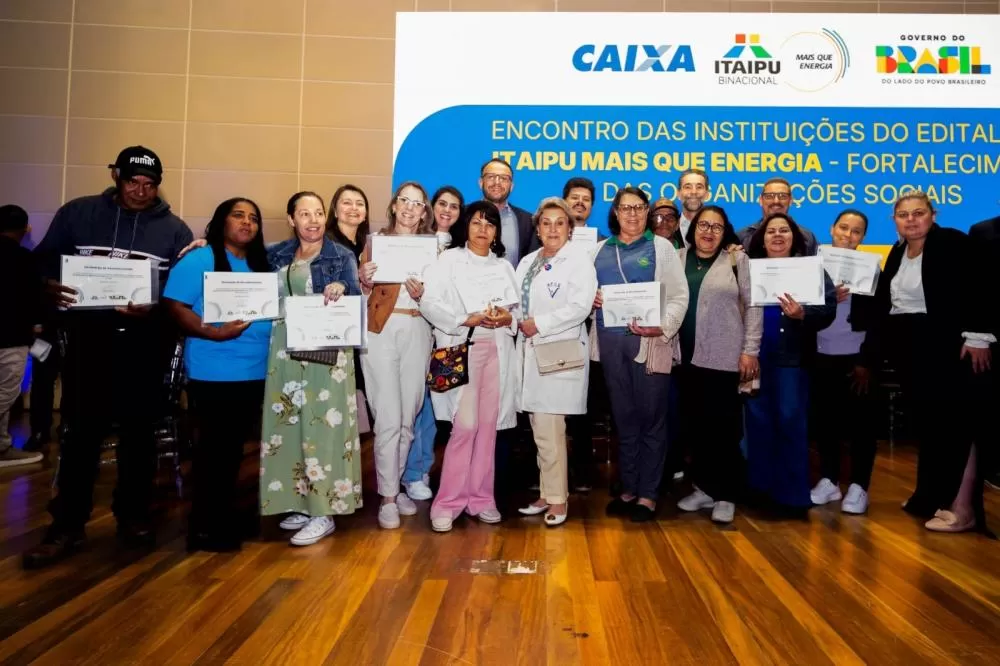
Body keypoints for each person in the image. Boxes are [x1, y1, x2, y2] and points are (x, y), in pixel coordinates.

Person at [24, 146, 194, 569]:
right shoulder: (78, 214)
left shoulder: (174, 229)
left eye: (150, 184)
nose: (141, 191)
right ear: (116, 176)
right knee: (81, 433)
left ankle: (133, 517)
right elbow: (42, 263)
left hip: (145, 343)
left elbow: (184, 290)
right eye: (133, 182)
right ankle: (66, 525)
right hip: (89, 339)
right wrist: (47, 283)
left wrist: (153, 303)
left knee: (140, 436)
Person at [863, 191, 994, 533]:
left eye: (918, 213)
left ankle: (962, 507)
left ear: (933, 215)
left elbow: (983, 287)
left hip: (952, 347)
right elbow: (887, 303)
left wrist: (978, 335)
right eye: (903, 215)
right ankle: (930, 495)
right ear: (895, 220)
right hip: (910, 348)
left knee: (957, 426)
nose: (911, 220)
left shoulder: (954, 242)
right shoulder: (896, 251)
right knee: (931, 427)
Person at [162, 198, 272, 551]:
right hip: (215, 373)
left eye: (253, 218)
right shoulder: (201, 259)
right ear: (220, 221)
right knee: (214, 453)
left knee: (234, 452)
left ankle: (225, 517)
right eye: (238, 215)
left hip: (254, 371)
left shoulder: (259, 264)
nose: (247, 223)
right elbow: (174, 305)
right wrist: (213, 332)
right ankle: (205, 528)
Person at [259, 192, 363, 546]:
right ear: (291, 219)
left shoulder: (340, 255)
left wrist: (342, 288)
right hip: (285, 352)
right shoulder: (276, 254)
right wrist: (202, 242)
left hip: (324, 354)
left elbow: (354, 300)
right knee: (288, 426)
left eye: (319, 213)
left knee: (323, 429)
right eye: (304, 214)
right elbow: (240, 266)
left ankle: (324, 511)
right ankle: (300, 501)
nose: (313, 220)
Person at [421, 201, 520, 532]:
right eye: (477, 222)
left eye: (490, 225)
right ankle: (447, 502)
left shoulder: (505, 267)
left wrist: (508, 318)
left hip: (498, 351)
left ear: (496, 232)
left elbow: (517, 311)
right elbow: (430, 303)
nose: (483, 229)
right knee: (464, 427)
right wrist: (466, 318)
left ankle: (481, 499)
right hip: (463, 349)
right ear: (467, 226)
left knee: (488, 427)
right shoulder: (448, 261)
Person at [594, 187, 689, 522]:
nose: (632, 214)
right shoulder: (599, 250)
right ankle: (629, 488)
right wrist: (589, 299)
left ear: (647, 211)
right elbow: (585, 293)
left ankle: (648, 493)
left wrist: (662, 327)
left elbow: (679, 296)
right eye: (625, 208)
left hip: (650, 345)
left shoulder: (661, 248)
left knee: (651, 418)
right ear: (615, 212)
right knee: (624, 419)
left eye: (638, 208)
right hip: (610, 344)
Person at [674, 206, 761, 524]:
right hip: (683, 358)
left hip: (724, 357)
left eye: (717, 227)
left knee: (724, 429)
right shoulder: (678, 259)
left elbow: (753, 306)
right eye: (703, 225)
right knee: (695, 429)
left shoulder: (738, 260)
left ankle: (727, 494)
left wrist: (750, 350)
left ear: (726, 232)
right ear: (693, 228)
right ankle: (703, 488)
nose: (708, 231)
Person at [744, 213, 835, 517]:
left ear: (795, 237)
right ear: (762, 237)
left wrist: (803, 314)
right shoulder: (748, 268)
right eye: (772, 231)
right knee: (757, 426)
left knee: (790, 423)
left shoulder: (811, 269)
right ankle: (760, 491)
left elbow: (828, 309)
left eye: (784, 231)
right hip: (754, 356)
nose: (778, 236)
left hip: (792, 359)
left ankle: (792, 496)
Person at [515, 198, 597, 526]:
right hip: (530, 352)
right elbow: (515, 301)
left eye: (559, 223)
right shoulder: (528, 261)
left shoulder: (578, 261)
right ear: (537, 228)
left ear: (570, 229)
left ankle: (559, 500)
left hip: (558, 353)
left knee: (550, 430)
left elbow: (580, 306)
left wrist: (540, 324)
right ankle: (547, 494)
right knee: (540, 430)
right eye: (545, 223)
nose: (552, 229)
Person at [358, 182, 435, 529]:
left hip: (418, 329)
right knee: (387, 416)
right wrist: (362, 280)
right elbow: (357, 293)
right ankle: (387, 497)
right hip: (380, 332)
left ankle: (398, 483)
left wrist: (426, 293)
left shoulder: (434, 249)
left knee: (408, 417)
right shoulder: (375, 243)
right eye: (404, 200)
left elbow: (441, 298)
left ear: (424, 212)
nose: (409, 207)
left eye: (417, 203)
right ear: (393, 206)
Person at [809, 210, 880, 515]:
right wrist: (826, 297)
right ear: (832, 228)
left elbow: (879, 320)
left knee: (861, 425)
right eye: (843, 228)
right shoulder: (812, 264)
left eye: (856, 231)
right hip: (820, 354)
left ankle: (859, 486)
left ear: (863, 237)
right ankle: (828, 480)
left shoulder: (872, 268)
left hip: (857, 359)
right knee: (826, 423)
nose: (848, 235)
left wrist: (866, 360)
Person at [402, 186, 465, 502]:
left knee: (434, 405)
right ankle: (402, 472)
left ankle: (420, 470)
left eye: (455, 206)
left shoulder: (463, 250)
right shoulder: (413, 242)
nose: (448, 210)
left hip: (446, 337)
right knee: (409, 404)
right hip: (411, 329)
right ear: (430, 207)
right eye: (443, 203)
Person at [562, 177, 607, 491]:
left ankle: (582, 467)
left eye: (586, 200)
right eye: (574, 198)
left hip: (589, 331)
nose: (580, 203)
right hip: (554, 329)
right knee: (551, 403)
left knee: (585, 402)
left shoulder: (603, 243)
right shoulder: (545, 238)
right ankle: (548, 469)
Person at [0, 204, 45, 468]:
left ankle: (2, 447)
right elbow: (34, 301)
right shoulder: (26, 260)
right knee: (5, 394)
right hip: (11, 338)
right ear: (25, 229)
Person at [969, 213, 999, 492]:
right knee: (990, 407)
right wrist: (978, 336)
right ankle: (992, 469)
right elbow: (975, 286)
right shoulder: (983, 231)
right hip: (992, 338)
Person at [737, 178, 818, 255]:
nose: (776, 201)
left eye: (782, 196)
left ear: (790, 201)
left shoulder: (807, 237)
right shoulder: (742, 237)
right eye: (769, 196)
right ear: (761, 200)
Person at [479, 158, 535, 265]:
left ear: (512, 186)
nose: (497, 182)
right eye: (491, 177)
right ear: (481, 182)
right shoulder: (463, 215)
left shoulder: (528, 221)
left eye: (504, 178)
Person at [326, 184, 370, 261]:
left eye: (360, 204)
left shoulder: (366, 244)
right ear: (335, 211)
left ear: (365, 215)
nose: (354, 208)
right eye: (347, 203)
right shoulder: (326, 243)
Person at [676, 169, 711, 246]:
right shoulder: (667, 228)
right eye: (688, 187)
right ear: (678, 193)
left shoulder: (722, 231)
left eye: (699, 187)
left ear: (707, 194)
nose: (694, 192)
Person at [430, 185, 464, 250]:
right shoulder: (416, 237)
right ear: (433, 206)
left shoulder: (463, 247)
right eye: (442, 204)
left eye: (454, 207)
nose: (447, 210)